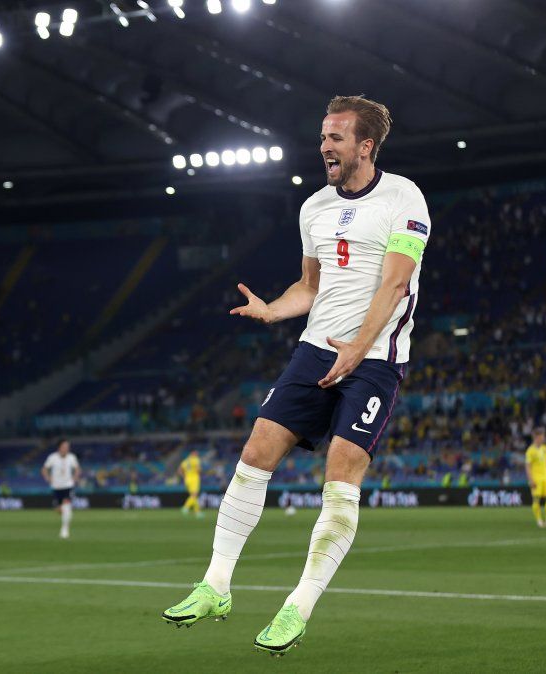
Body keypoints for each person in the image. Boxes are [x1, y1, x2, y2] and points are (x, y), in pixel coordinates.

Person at [162, 95, 431, 656]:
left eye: (336, 138)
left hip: (376, 356)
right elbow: (310, 287)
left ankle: (298, 606)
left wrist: (359, 348)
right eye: (323, 137)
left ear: (366, 145)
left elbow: (395, 285)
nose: (324, 147)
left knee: (340, 476)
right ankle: (215, 585)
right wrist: (274, 309)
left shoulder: (404, 197)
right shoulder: (313, 207)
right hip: (315, 350)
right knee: (256, 450)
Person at [41, 439, 80, 539]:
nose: (67, 448)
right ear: (59, 447)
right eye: (65, 446)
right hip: (56, 486)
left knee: (67, 504)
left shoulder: (72, 457)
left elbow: (77, 469)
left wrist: (75, 478)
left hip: (68, 486)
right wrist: (47, 478)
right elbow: (44, 469)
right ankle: (65, 516)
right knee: (59, 509)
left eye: (68, 446)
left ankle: (65, 529)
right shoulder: (52, 457)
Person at [525, 428, 546, 527]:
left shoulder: (545, 448)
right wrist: (530, 480)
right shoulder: (530, 451)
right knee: (536, 500)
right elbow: (528, 467)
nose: (543, 438)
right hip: (536, 478)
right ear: (536, 437)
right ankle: (539, 520)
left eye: (543, 436)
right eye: (542, 436)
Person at [178, 450, 203, 518]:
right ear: (194, 454)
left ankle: (198, 512)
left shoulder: (186, 461)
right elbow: (198, 470)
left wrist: (184, 476)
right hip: (194, 478)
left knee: (193, 496)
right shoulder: (196, 459)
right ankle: (186, 507)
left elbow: (179, 470)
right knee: (194, 495)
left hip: (187, 479)